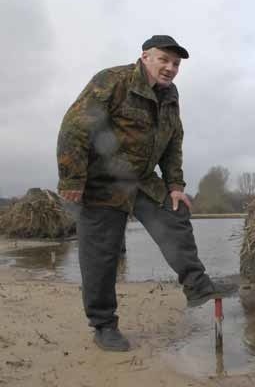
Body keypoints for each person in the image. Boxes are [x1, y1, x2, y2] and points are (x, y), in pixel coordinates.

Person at [57, 35, 235, 352]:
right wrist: (72, 179)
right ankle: (103, 326)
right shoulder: (112, 80)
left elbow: (173, 141)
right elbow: (74, 127)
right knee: (101, 256)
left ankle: (197, 285)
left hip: (141, 180)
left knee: (174, 214)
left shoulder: (170, 94)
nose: (170, 68)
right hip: (102, 181)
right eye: (164, 60)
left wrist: (176, 186)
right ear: (145, 57)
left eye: (176, 63)